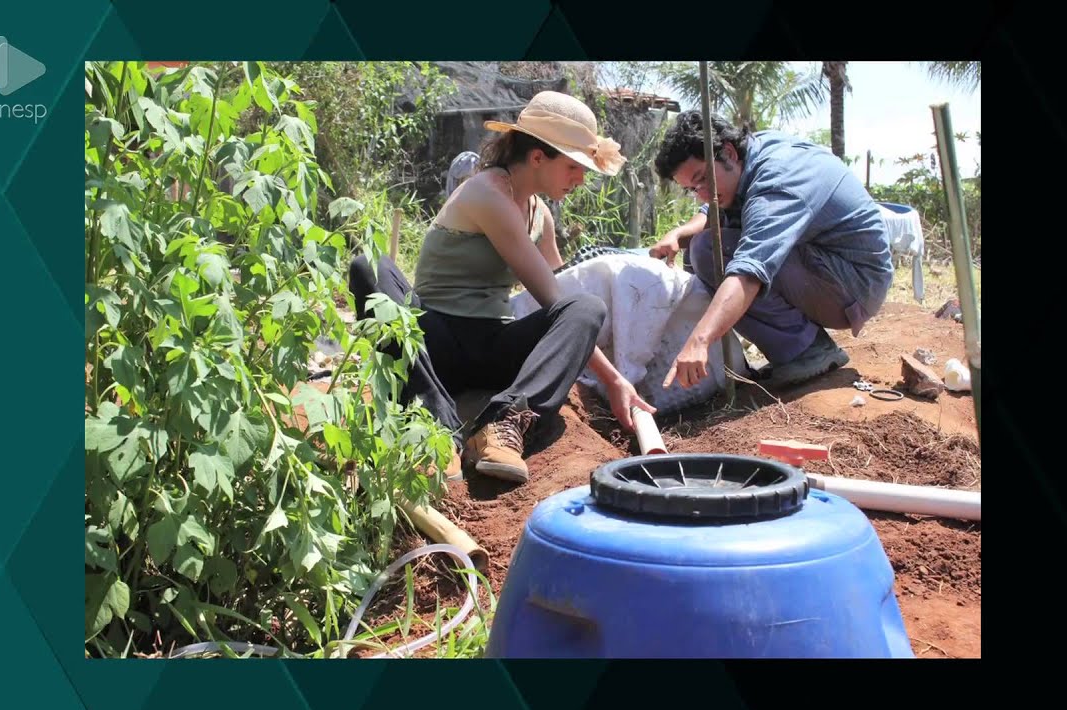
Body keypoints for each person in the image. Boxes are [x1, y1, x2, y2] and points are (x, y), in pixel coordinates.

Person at [350, 91, 656, 485]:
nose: (580, 179)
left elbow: (564, 301)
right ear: (537, 157)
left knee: (586, 308)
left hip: (493, 345)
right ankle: (429, 420)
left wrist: (612, 377)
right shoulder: (486, 193)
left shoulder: (539, 214)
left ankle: (505, 421)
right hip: (434, 340)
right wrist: (614, 378)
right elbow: (548, 293)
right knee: (370, 266)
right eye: (573, 166)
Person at [650, 111, 894, 390]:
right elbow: (711, 210)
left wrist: (699, 341)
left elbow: (750, 269)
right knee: (700, 243)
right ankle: (799, 344)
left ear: (728, 152)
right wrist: (679, 234)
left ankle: (807, 351)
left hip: (854, 284)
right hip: (826, 267)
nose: (702, 193)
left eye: (703, 179)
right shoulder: (748, 154)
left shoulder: (777, 179)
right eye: (693, 188)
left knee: (708, 251)